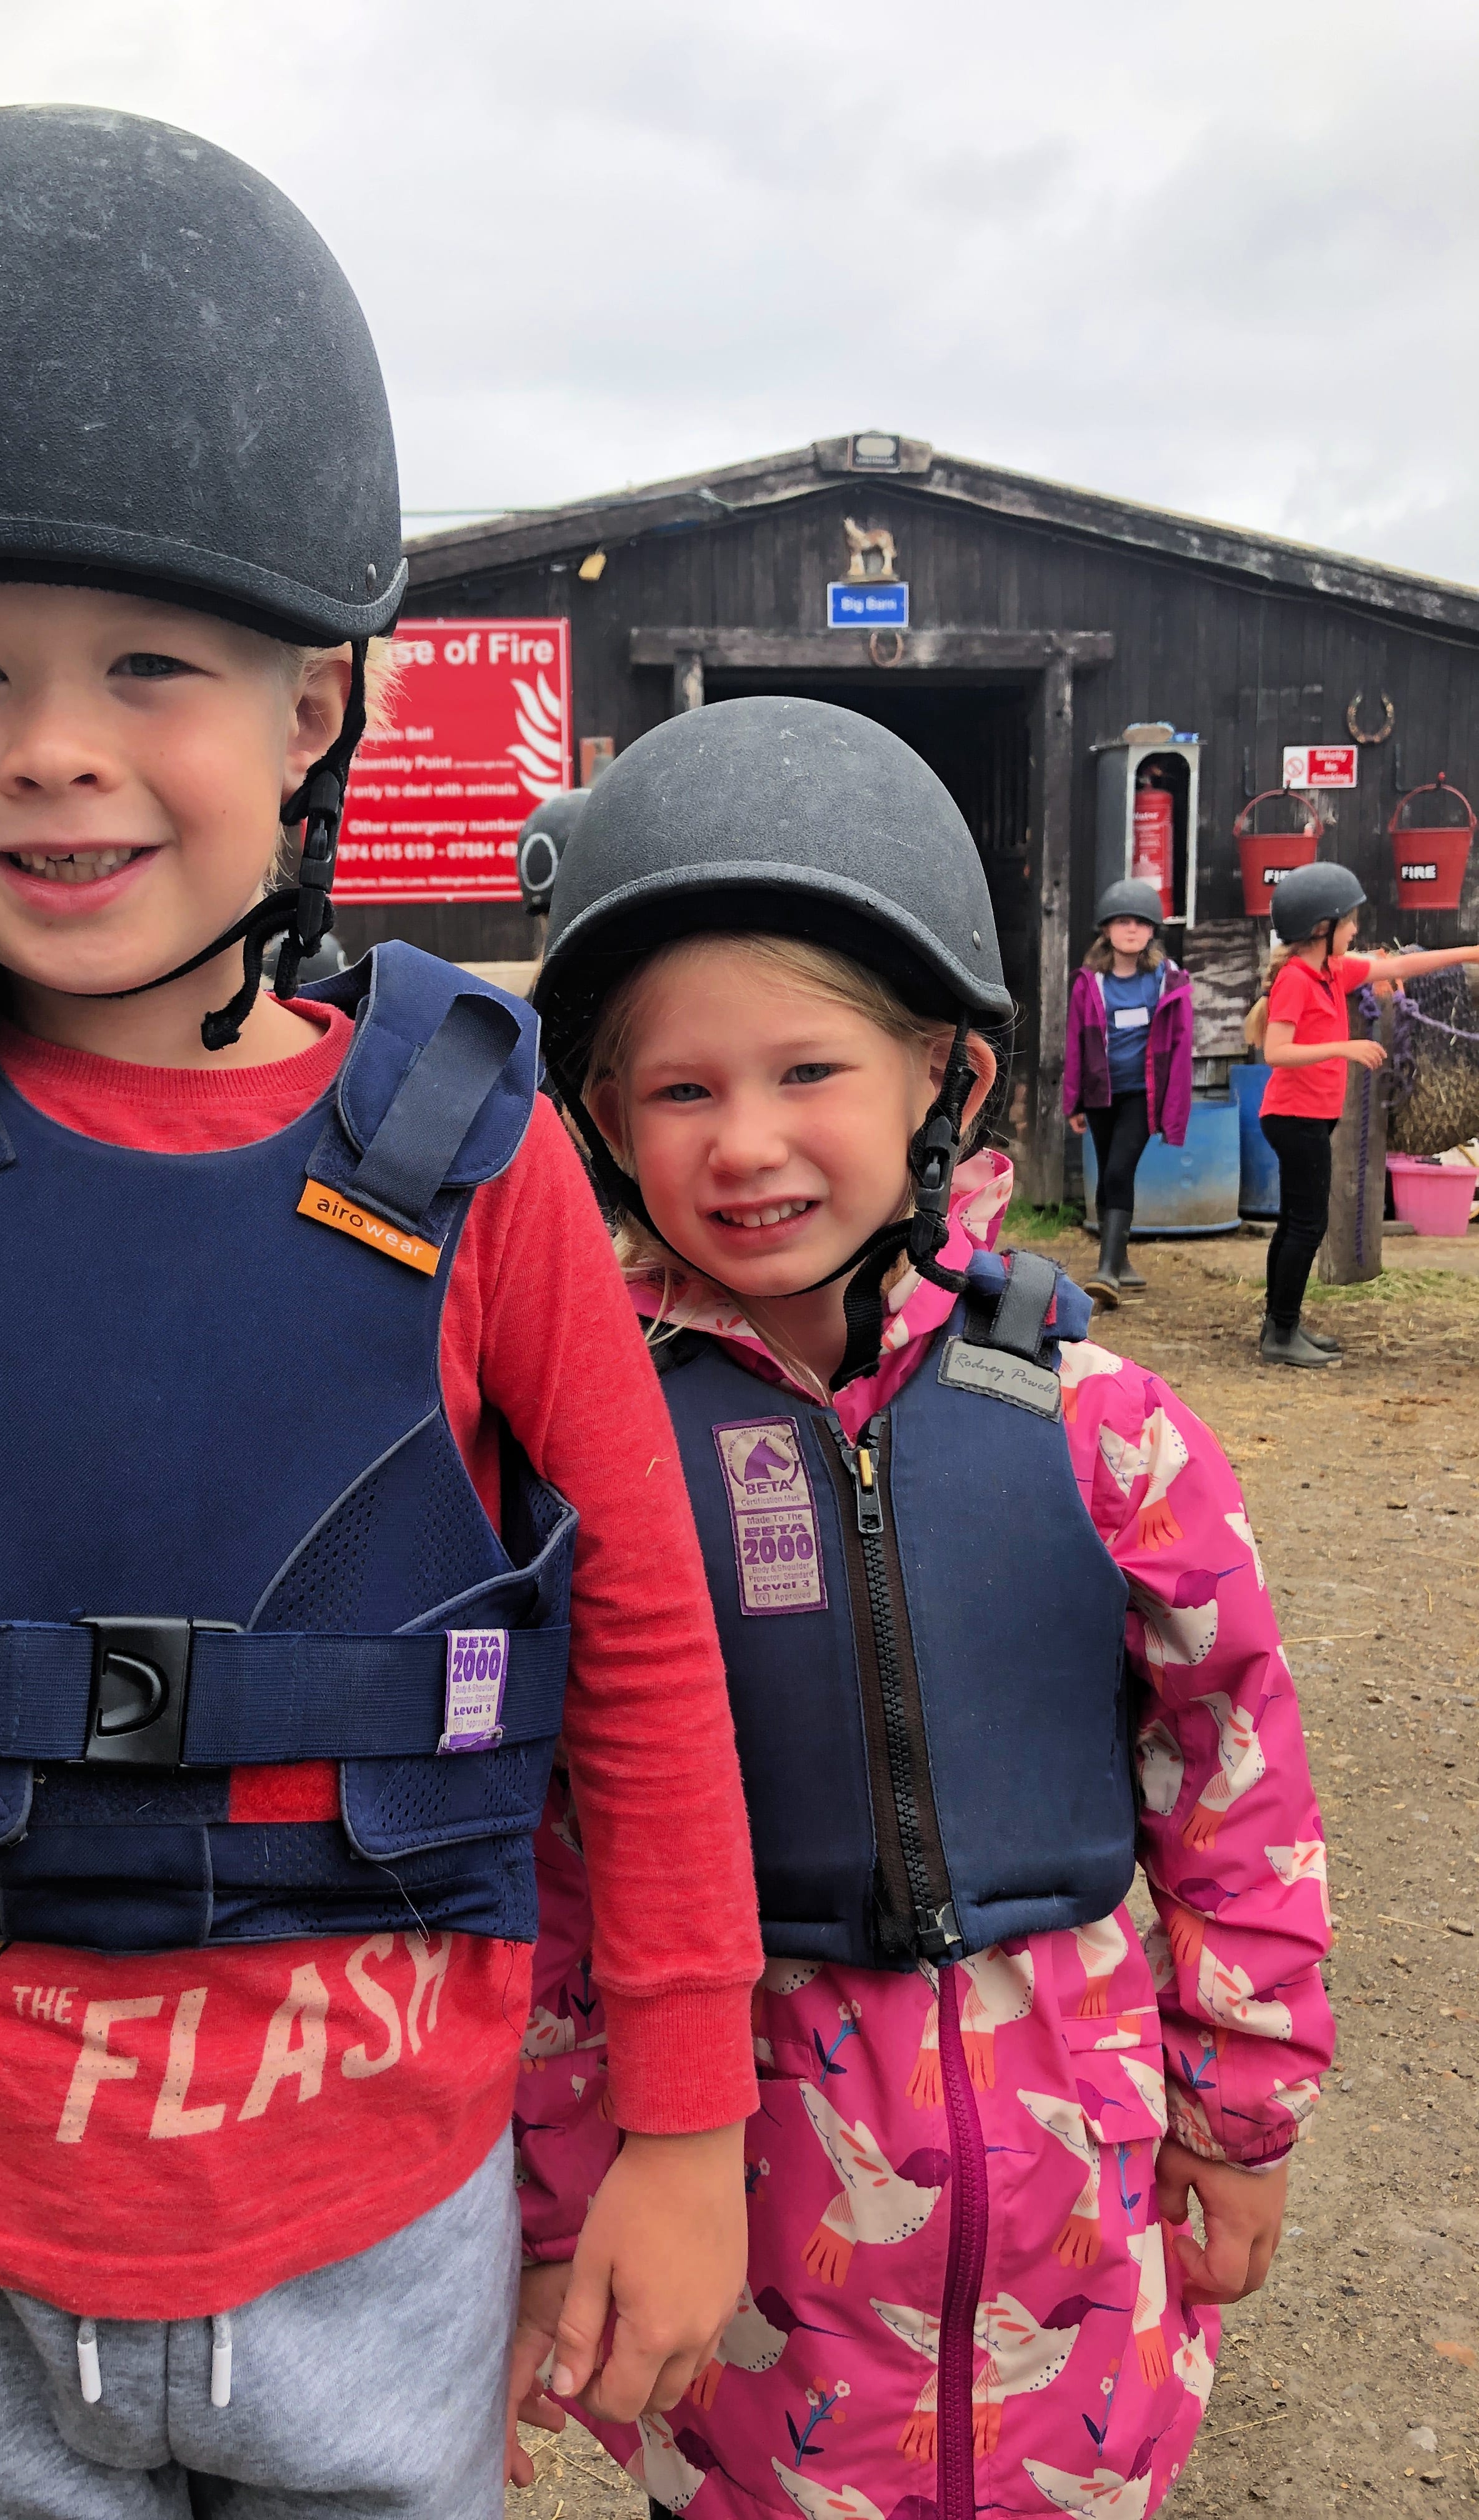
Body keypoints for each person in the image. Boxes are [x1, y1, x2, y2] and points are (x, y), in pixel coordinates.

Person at [0, 108, 763, 2520]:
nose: (52, 746)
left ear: (313, 714)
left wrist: (683, 2107)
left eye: (153, 664)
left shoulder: (485, 1166)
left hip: (373, 2221)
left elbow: (636, 1622)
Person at [506, 698, 1334, 2520]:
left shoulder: (1101, 1430)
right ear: (602, 1116)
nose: (745, 1142)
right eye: (682, 1090)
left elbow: (1233, 1776)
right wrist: (567, 2199)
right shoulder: (586, 1468)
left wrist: (1243, 2112)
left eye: (808, 1073)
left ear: (939, 1082)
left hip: (1075, 2216)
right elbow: (541, 1858)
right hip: (756, 2239)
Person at [1256, 861, 1479, 1368]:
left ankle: (1281, 1324)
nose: (1356, 932)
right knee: (1307, 1225)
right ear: (1322, 928)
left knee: (1296, 1222)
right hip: (1294, 1120)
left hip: (1309, 1117)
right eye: (1350, 922)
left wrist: (1471, 953)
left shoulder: (1333, 970)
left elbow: (1399, 968)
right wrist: (1346, 1047)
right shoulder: (1295, 980)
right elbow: (1276, 1051)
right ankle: (1281, 1331)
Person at [1063, 878, 1194, 1307]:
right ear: (1106, 931)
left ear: (1154, 930)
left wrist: (1174, 1106)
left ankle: (1106, 1273)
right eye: (1122, 922)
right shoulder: (1089, 983)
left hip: (1142, 1095)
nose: (1132, 930)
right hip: (1101, 1094)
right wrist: (1074, 1100)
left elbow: (1180, 1045)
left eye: (1140, 922)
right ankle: (1119, 1261)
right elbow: (1076, 1043)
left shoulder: (1168, 982)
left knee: (1119, 1170)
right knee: (1109, 1173)